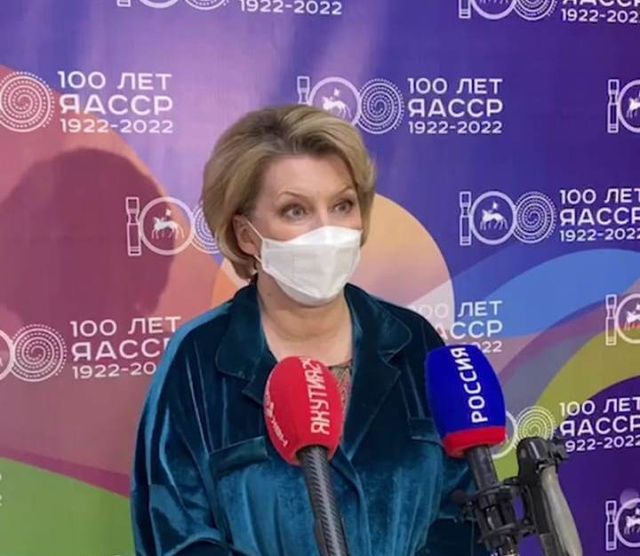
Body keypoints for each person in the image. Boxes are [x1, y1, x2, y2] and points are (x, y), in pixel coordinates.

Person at [130, 104, 488, 555]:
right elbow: (176, 536)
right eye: (295, 210)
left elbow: (463, 512)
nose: (327, 231)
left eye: (342, 205)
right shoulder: (200, 358)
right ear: (246, 235)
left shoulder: (411, 339)